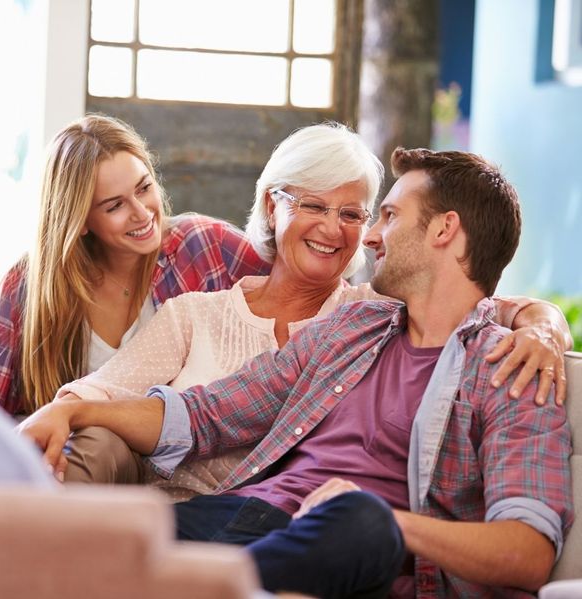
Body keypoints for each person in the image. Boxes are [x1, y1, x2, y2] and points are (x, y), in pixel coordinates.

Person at [19, 147, 574, 599]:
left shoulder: (511, 368)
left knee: (361, 516)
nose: (370, 236)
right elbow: (209, 413)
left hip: (357, 545)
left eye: (385, 215)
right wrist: (76, 408)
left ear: (444, 230)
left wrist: (393, 522)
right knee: (68, 546)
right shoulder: (353, 324)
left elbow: (527, 553)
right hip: (243, 516)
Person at [51, 123, 568, 493]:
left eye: (351, 213)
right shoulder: (195, 314)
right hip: (176, 511)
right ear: (273, 207)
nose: (332, 228)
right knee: (89, 443)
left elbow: (478, 302)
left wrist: (543, 324)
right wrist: (65, 410)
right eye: (312, 205)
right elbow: (112, 390)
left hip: (292, 527)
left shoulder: (374, 315)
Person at [0, 114, 269, 479]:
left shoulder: (205, 245)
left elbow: (299, 293)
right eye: (115, 205)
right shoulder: (30, 284)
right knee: (97, 443)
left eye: (144, 188)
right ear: (81, 220)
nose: (141, 213)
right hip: (83, 464)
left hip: (189, 464)